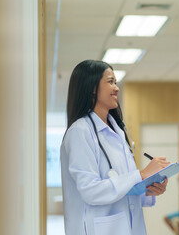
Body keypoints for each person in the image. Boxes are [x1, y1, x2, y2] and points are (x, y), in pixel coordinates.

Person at [61, 60, 170, 235]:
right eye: (110, 82)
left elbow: (122, 186)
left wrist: (148, 189)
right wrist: (141, 174)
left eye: (116, 82)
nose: (117, 88)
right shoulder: (80, 131)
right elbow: (90, 191)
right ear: (92, 88)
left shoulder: (117, 130)